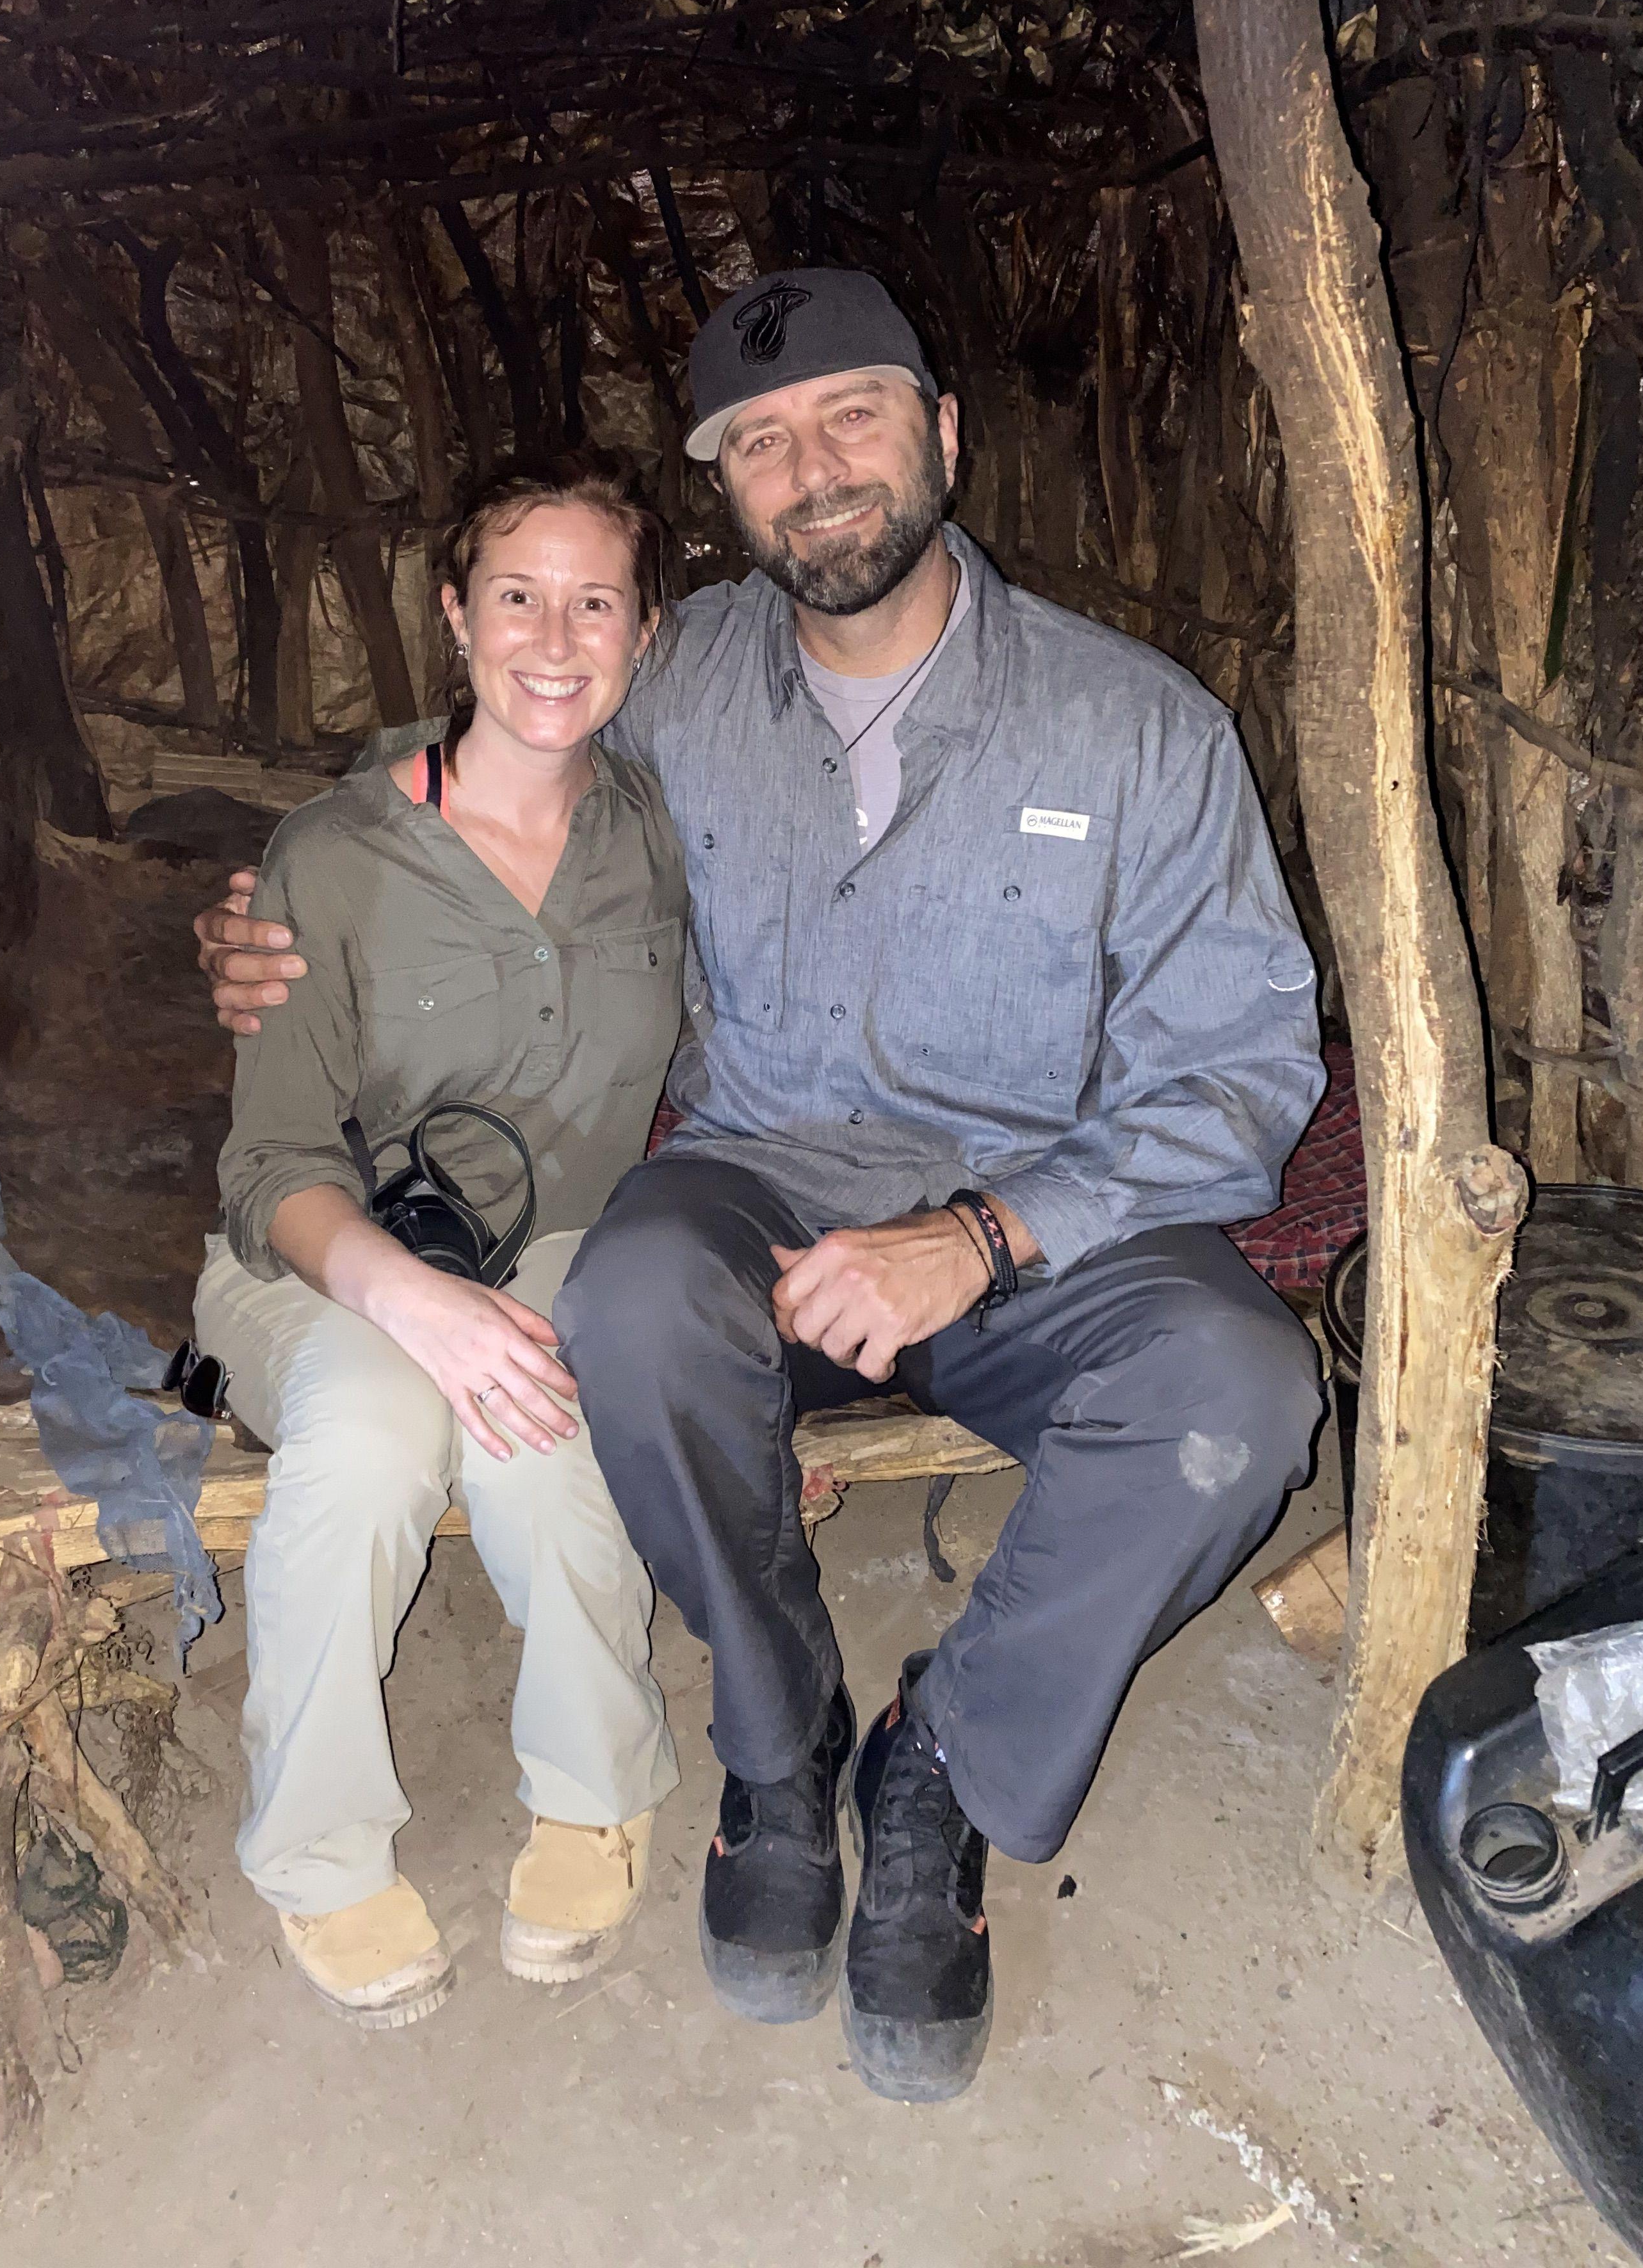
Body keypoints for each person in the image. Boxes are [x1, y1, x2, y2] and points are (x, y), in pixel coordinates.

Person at [197, 269, 1327, 2098]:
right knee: (629, 1301)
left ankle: (942, 1763)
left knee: (1244, 1394)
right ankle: (780, 1743)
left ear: (942, 433)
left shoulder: (1138, 728)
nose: (817, 470)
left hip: (1037, 1220)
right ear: (725, 494)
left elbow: (1249, 1069)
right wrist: (280, 907)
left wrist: (981, 1238)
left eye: (854, 416)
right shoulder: (681, 675)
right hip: (763, 1198)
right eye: (764, 442)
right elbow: (486, 754)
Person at [195, 462, 686, 2029]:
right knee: (367, 1438)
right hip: (323, 1249)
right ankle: (316, 1851)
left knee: (540, 1431)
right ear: (458, 617)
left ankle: (598, 1791)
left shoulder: (663, 835)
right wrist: (418, 1307)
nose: (556, 638)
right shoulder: (336, 855)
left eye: (596, 602)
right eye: (519, 598)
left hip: (557, 1237)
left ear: (646, 635)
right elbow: (271, 1162)